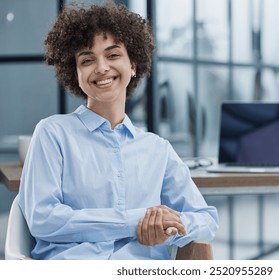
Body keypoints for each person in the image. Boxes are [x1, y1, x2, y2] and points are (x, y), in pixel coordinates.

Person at [18, 1, 218, 260]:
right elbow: (43, 219)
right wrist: (136, 221)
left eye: (113, 55)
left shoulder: (157, 149)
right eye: (87, 60)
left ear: (133, 65)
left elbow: (206, 220)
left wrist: (168, 226)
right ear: (75, 72)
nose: (101, 67)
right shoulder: (52, 134)